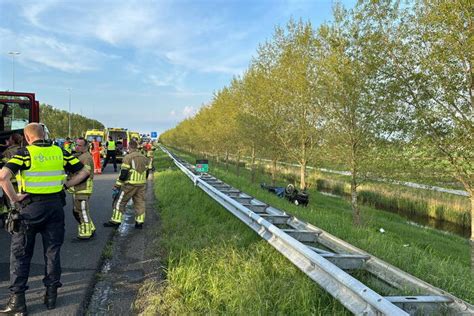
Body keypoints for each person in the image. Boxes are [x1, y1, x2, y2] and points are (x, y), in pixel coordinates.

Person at [0, 123, 89, 314]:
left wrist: (14, 198)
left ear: (27, 136)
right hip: (55, 207)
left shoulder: (24, 154)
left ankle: (18, 303)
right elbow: (85, 171)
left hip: (30, 208)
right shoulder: (60, 152)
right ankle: (51, 296)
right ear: (44, 135)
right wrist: (66, 185)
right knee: (52, 252)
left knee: (21, 255)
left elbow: (3, 177)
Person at [103, 140, 149, 229]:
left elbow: (123, 174)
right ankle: (139, 222)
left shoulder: (128, 157)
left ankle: (115, 221)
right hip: (141, 184)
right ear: (137, 147)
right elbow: (147, 172)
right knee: (140, 203)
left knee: (120, 202)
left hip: (129, 184)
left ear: (129, 147)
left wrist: (117, 185)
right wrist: (143, 180)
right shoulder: (144, 157)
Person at [67, 137, 96, 240]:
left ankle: (85, 233)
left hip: (83, 189)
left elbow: (85, 174)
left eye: (79, 145)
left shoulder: (86, 157)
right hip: (79, 188)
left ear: (85, 147)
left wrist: (69, 183)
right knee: (79, 210)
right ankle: (90, 228)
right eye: (76, 145)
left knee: (82, 211)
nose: (77, 147)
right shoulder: (81, 156)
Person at [0, 134, 23, 225]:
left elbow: (4, 165)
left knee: (12, 200)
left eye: (9, 139)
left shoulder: (7, 152)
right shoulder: (23, 150)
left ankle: (15, 220)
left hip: (10, 181)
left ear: (13, 140)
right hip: (21, 181)